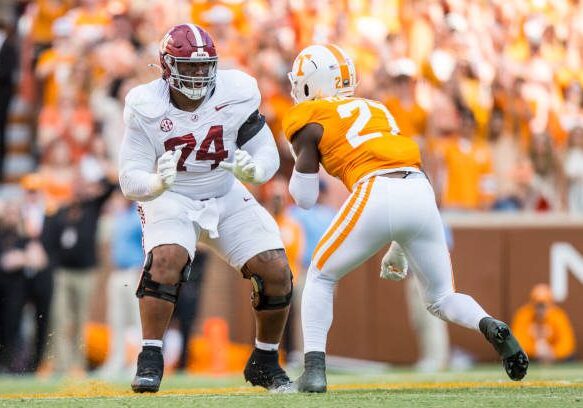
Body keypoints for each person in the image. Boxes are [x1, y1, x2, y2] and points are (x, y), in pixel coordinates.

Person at [282, 44, 529, 393]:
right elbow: (406, 170)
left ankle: (313, 371)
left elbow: (305, 199)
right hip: (419, 190)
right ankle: (488, 323)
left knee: (320, 277)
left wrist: (300, 160)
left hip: (374, 189)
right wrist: (398, 247)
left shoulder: (309, 121)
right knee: (442, 297)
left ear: (310, 83)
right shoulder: (378, 109)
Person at [118, 24, 293, 393]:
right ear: (167, 66)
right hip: (172, 194)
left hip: (224, 190)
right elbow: (129, 177)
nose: (199, 74)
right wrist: (156, 184)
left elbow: (267, 153)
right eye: (189, 66)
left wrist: (256, 170)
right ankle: (150, 356)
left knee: (276, 268)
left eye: (204, 66)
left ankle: (264, 360)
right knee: (166, 258)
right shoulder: (145, 104)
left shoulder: (237, 92)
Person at [511, 284, 576, 363]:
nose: (540, 310)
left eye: (543, 305)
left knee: (570, 358)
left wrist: (553, 353)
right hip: (531, 358)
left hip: (554, 358)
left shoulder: (558, 316)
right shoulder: (523, 315)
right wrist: (535, 350)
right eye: (538, 305)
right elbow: (517, 341)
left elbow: (567, 343)